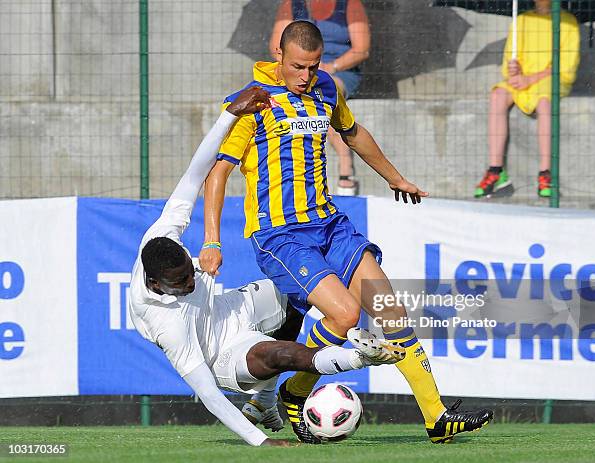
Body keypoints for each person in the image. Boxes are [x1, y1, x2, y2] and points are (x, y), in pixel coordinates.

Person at [201, 21, 493, 444]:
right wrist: (212, 240)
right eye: (299, 66)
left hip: (331, 225)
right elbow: (218, 173)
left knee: (390, 309)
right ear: (279, 56)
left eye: (314, 65)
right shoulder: (252, 102)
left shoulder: (327, 88)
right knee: (344, 315)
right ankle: (296, 391)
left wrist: (397, 178)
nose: (306, 76)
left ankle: (437, 417)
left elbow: (353, 134)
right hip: (282, 234)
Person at [128, 86, 405, 447]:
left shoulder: (163, 234)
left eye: (189, 270)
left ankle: (265, 398)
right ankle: (359, 358)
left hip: (229, 308)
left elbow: (195, 173)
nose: (192, 281)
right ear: (156, 285)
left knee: (296, 289)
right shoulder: (165, 326)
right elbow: (210, 395)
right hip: (224, 353)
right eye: (181, 283)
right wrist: (259, 442)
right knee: (280, 354)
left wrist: (229, 115)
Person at [474, 0, 580, 198]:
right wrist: (513, 70)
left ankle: (545, 173)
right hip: (523, 80)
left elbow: (566, 67)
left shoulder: (568, 22)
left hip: (551, 80)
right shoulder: (521, 20)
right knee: (497, 95)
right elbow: (509, 62)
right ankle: (496, 171)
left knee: (544, 102)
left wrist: (531, 78)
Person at [269, 0, 370, 195]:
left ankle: (344, 159)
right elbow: (276, 49)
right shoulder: (291, 5)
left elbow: (361, 49)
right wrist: (301, 66)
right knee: (310, 89)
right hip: (302, 71)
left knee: (323, 92)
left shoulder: (349, 4)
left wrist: (330, 67)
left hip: (340, 71)